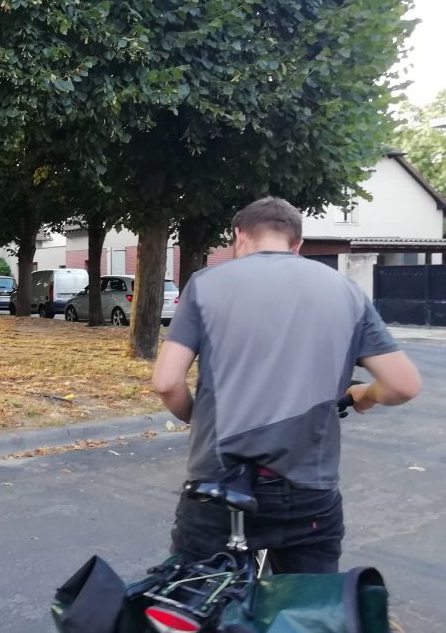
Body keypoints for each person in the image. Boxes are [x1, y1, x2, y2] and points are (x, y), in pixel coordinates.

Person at [152, 197, 422, 574]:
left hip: (219, 482)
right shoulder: (344, 291)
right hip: (307, 490)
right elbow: (403, 385)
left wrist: (196, 419)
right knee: (307, 609)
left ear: (238, 236)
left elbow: (166, 382)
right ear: (297, 245)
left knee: (197, 600)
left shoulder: (205, 284)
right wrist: (365, 394)